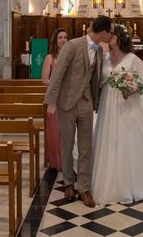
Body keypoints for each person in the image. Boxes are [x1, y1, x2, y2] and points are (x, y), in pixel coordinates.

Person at [92, 24, 143, 205]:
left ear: (120, 38)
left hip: (128, 105)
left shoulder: (133, 59)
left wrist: (130, 88)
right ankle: (109, 182)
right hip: (108, 104)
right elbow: (100, 81)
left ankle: (129, 182)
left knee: (126, 140)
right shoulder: (104, 58)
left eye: (112, 35)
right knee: (109, 140)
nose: (109, 37)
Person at [45, 16, 114, 208]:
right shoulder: (73, 45)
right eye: (111, 32)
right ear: (103, 33)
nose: (112, 35)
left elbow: (96, 78)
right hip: (66, 103)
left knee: (86, 147)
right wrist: (51, 102)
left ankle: (83, 187)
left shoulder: (100, 50)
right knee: (67, 145)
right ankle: (69, 183)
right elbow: (57, 74)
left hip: (86, 102)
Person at [41, 28, 68, 170]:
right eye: (60, 37)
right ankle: (57, 162)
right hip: (54, 99)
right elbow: (44, 80)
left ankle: (67, 162)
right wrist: (56, 82)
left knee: (66, 132)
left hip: (67, 99)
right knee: (55, 132)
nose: (63, 40)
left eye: (65, 37)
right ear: (55, 41)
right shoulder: (50, 58)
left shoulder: (70, 56)